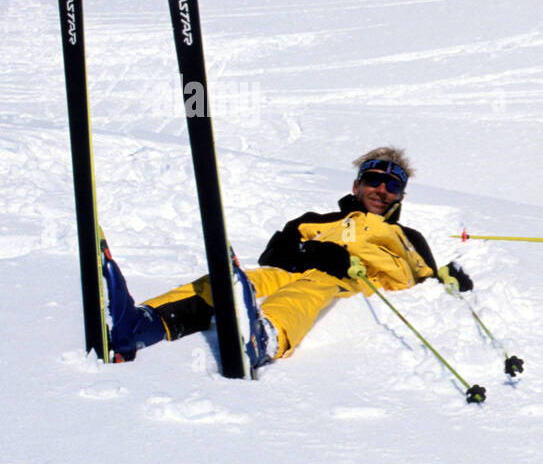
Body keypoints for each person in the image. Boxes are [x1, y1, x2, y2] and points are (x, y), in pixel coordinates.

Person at [101, 147, 472, 367]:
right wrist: (313, 249)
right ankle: (144, 324)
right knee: (240, 280)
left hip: (349, 282)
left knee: (309, 292)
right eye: (373, 180)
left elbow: (419, 278)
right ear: (356, 186)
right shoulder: (315, 221)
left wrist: (449, 276)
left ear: (401, 197)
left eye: (392, 186)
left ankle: (267, 337)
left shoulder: (406, 236)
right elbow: (273, 253)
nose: (381, 190)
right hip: (293, 269)